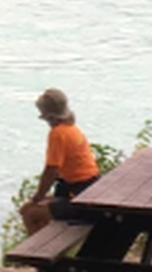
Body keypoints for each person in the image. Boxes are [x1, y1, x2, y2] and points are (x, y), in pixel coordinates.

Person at [19, 88, 100, 236]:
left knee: (29, 214)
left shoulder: (57, 134)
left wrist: (38, 196)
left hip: (81, 198)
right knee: (27, 209)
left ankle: (37, 253)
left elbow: (52, 170)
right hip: (90, 190)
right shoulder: (72, 129)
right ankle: (42, 247)